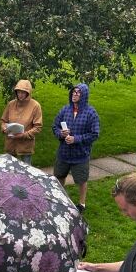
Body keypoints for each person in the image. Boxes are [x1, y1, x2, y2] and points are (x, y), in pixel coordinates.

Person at [52, 83, 100, 212]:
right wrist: (60, 134)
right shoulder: (65, 110)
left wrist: (76, 139)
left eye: (78, 93)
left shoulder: (91, 113)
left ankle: (81, 204)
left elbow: (94, 134)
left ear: (83, 95)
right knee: (59, 176)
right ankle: (59, 198)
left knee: (81, 180)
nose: (74, 94)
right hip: (64, 153)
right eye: (73, 92)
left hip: (81, 155)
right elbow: (55, 126)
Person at [0, 79, 42, 165]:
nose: (20, 95)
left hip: (25, 145)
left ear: (28, 93)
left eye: (23, 92)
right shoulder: (11, 104)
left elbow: (38, 127)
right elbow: (3, 120)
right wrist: (4, 128)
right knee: (10, 170)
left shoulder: (35, 106)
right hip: (10, 143)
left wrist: (24, 135)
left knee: (26, 172)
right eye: (18, 92)